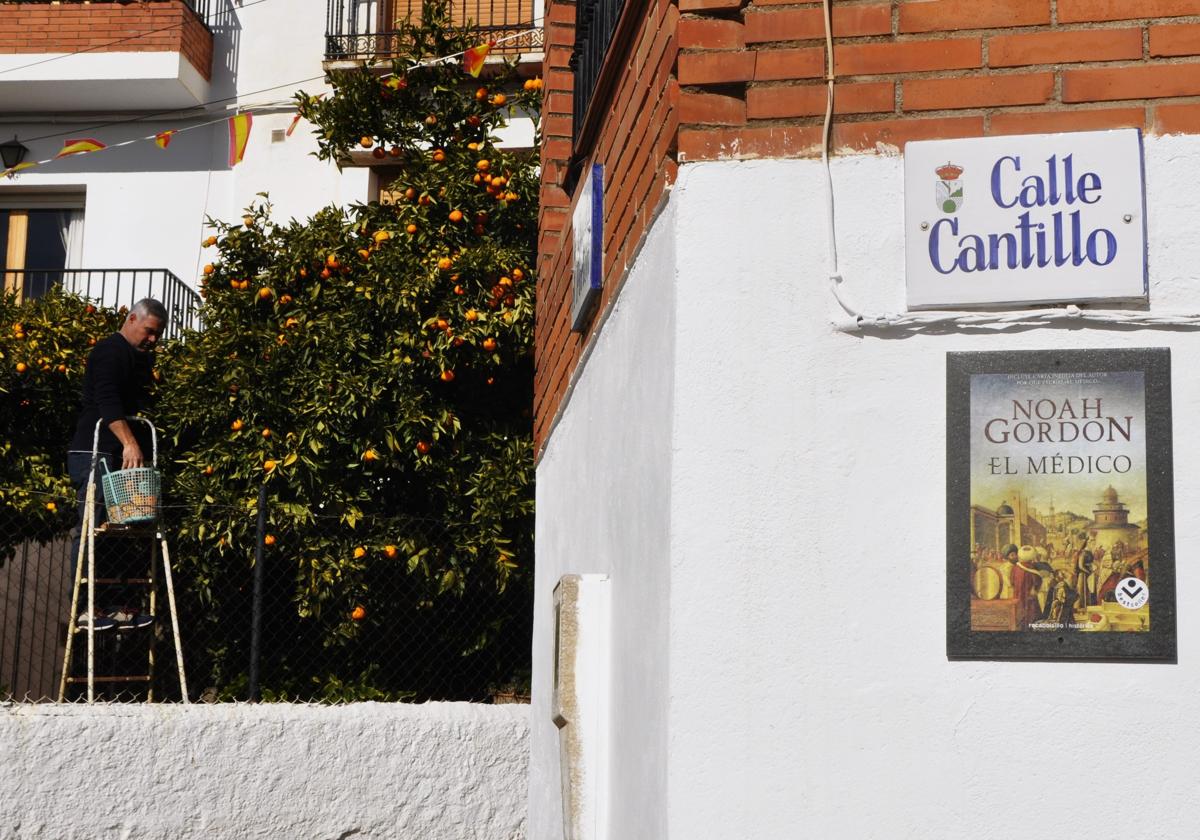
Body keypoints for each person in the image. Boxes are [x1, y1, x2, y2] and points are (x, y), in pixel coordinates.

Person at [66, 299, 166, 631]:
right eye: (150, 331)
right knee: (93, 529)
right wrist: (131, 442)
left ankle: (115, 604)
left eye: (158, 335)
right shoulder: (110, 351)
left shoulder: (138, 360)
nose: (153, 339)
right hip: (94, 453)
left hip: (117, 456)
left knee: (122, 531)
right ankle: (85, 608)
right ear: (132, 319)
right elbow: (107, 401)